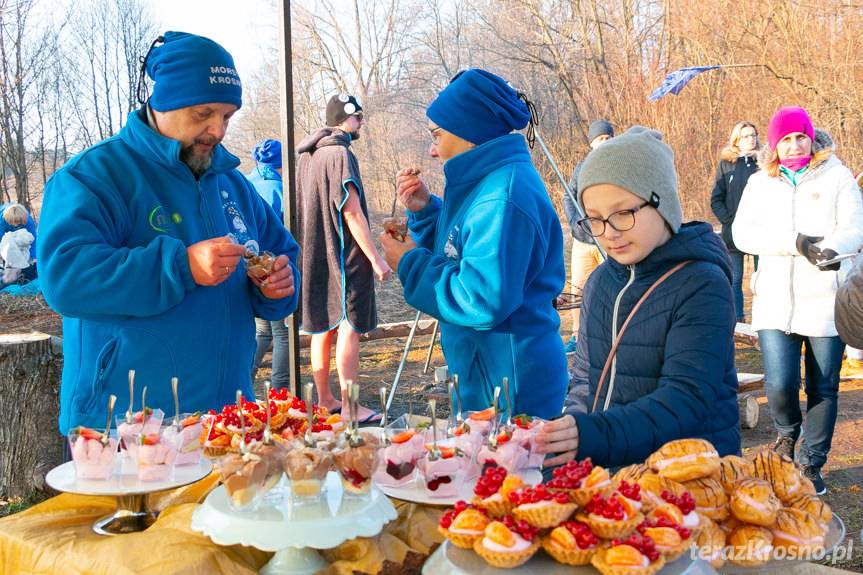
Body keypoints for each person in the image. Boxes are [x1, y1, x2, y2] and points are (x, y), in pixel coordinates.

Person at [37, 31, 300, 435]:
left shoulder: (231, 183)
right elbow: (66, 279)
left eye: (227, 116)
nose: (217, 130)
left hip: (225, 421)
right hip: (124, 425)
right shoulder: (94, 176)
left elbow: (282, 255)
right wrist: (181, 267)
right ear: (163, 102)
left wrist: (279, 285)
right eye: (203, 113)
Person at [535, 126, 740, 468]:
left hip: (687, 475)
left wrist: (592, 436)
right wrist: (574, 436)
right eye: (595, 220)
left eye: (623, 213)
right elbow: (584, 379)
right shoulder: (601, 281)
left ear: (662, 203)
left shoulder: (702, 283)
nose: (609, 233)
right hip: (611, 471)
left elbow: (684, 400)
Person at [380, 68, 567, 420]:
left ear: (469, 132)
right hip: (486, 378)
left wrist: (409, 263)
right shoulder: (483, 183)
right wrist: (426, 212)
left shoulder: (502, 197)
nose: (432, 150)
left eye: (437, 135)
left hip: (510, 388)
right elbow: (462, 250)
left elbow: (481, 298)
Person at [732, 106, 863, 494]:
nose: (795, 144)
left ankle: (812, 463)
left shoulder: (837, 176)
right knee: (779, 383)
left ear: (811, 138)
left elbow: (855, 226)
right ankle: (788, 433)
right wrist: (795, 243)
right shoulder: (760, 183)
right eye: (786, 139)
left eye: (801, 136)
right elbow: (742, 234)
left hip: (826, 301)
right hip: (775, 302)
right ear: (774, 145)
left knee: (824, 387)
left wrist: (831, 250)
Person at [296, 94, 390, 421]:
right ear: (343, 119)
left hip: (314, 255)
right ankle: (350, 407)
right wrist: (376, 259)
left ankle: (324, 400)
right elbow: (351, 212)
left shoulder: (307, 156)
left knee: (322, 327)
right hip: (344, 256)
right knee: (350, 327)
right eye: (358, 116)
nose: (361, 121)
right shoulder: (340, 154)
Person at [562, 120, 613, 352]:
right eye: (600, 139)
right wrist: (576, 224)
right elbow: (568, 197)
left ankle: (609, 334)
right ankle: (577, 336)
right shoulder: (582, 168)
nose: (604, 142)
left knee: (609, 287)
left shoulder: (618, 164)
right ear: (592, 143)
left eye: (608, 138)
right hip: (583, 241)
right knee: (578, 290)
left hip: (607, 239)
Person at [246, 139, 291, 388]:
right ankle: (279, 390)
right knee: (283, 332)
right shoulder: (279, 188)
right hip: (274, 269)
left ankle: (245, 379)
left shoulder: (246, 183)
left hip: (249, 267)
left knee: (262, 331)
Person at [711, 121, 760, 322]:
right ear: (737, 140)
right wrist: (730, 221)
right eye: (746, 136)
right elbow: (716, 199)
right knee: (735, 278)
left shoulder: (765, 163)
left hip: (760, 231)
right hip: (733, 233)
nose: (751, 139)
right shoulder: (727, 163)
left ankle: (763, 320)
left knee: (762, 279)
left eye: (753, 135)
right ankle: (737, 321)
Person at [0, 202, 38, 281]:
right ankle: (8, 276)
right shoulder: (2, 221)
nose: (16, 225)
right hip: (6, 235)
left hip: (22, 236)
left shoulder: (28, 221)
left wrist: (34, 257)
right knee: (8, 251)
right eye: (14, 223)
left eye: (18, 223)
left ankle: (24, 273)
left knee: (28, 258)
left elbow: (33, 240)